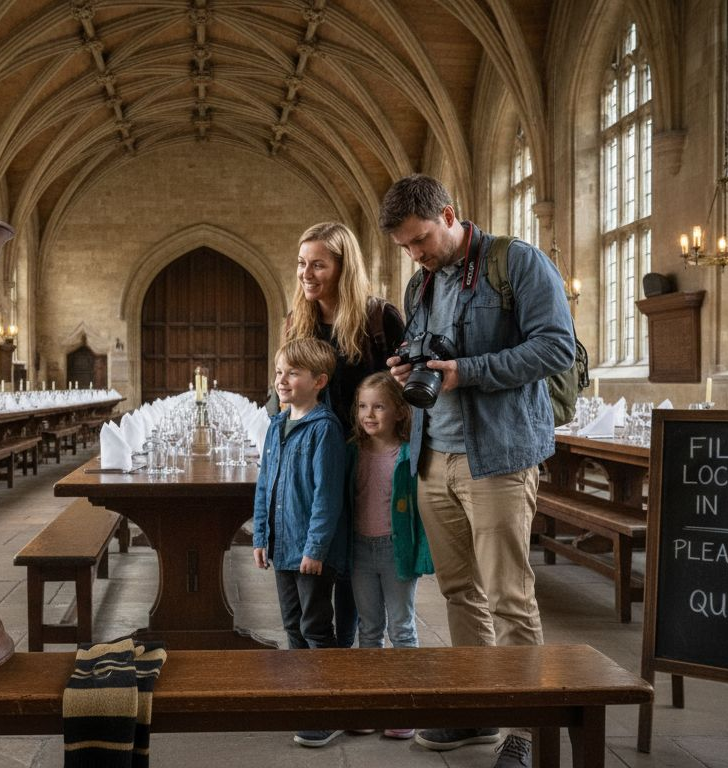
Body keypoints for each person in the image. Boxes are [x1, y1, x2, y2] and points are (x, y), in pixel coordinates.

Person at [380, 174, 576, 768]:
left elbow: (555, 348)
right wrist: (406, 368)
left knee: (509, 597)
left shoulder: (514, 262)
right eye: (406, 248)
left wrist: (467, 371)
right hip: (433, 457)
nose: (416, 255)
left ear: (449, 213)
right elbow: (428, 355)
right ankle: (476, 710)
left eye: (421, 240)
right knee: (459, 592)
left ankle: (523, 730)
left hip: (499, 457)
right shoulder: (420, 286)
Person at [286, 221, 407, 648]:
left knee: (357, 559)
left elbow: (404, 390)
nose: (306, 273)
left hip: (366, 459)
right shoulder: (297, 321)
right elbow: (284, 388)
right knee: (318, 557)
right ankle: (324, 656)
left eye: (317, 264)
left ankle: (352, 648)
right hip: (315, 457)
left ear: (343, 267)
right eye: (302, 264)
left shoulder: (380, 317)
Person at [251, 337, 349, 749]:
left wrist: (315, 549)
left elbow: (327, 498)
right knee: (292, 625)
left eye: (293, 372)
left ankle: (327, 710)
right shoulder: (277, 425)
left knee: (315, 626)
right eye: (279, 372)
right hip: (282, 546)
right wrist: (259, 534)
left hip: (309, 552)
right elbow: (264, 485)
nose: (282, 380)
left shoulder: (324, 430)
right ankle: (302, 695)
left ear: (319, 380)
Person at [346, 372, 433, 741]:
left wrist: (422, 553)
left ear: (399, 411)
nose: (369, 414)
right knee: (368, 630)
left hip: (396, 550)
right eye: (363, 406)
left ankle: (405, 706)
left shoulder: (410, 452)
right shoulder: (353, 450)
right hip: (360, 550)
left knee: (401, 628)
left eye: (379, 406)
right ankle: (372, 704)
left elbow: (423, 509)